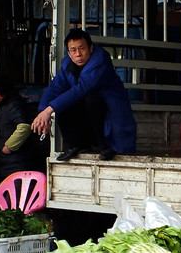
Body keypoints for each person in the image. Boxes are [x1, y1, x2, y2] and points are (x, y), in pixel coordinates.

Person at [31, 28, 136, 161]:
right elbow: (54, 87)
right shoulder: (67, 65)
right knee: (63, 102)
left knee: (88, 98)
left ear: (90, 48)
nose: (78, 54)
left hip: (110, 112)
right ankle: (76, 145)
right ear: (69, 53)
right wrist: (42, 112)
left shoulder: (100, 60)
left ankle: (103, 146)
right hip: (89, 115)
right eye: (73, 50)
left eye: (82, 48)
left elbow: (82, 88)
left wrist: (49, 110)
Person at [0, 74, 44, 179]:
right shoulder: (3, 107)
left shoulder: (14, 105)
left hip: (18, 160)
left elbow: (24, 127)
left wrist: (9, 147)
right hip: (9, 161)